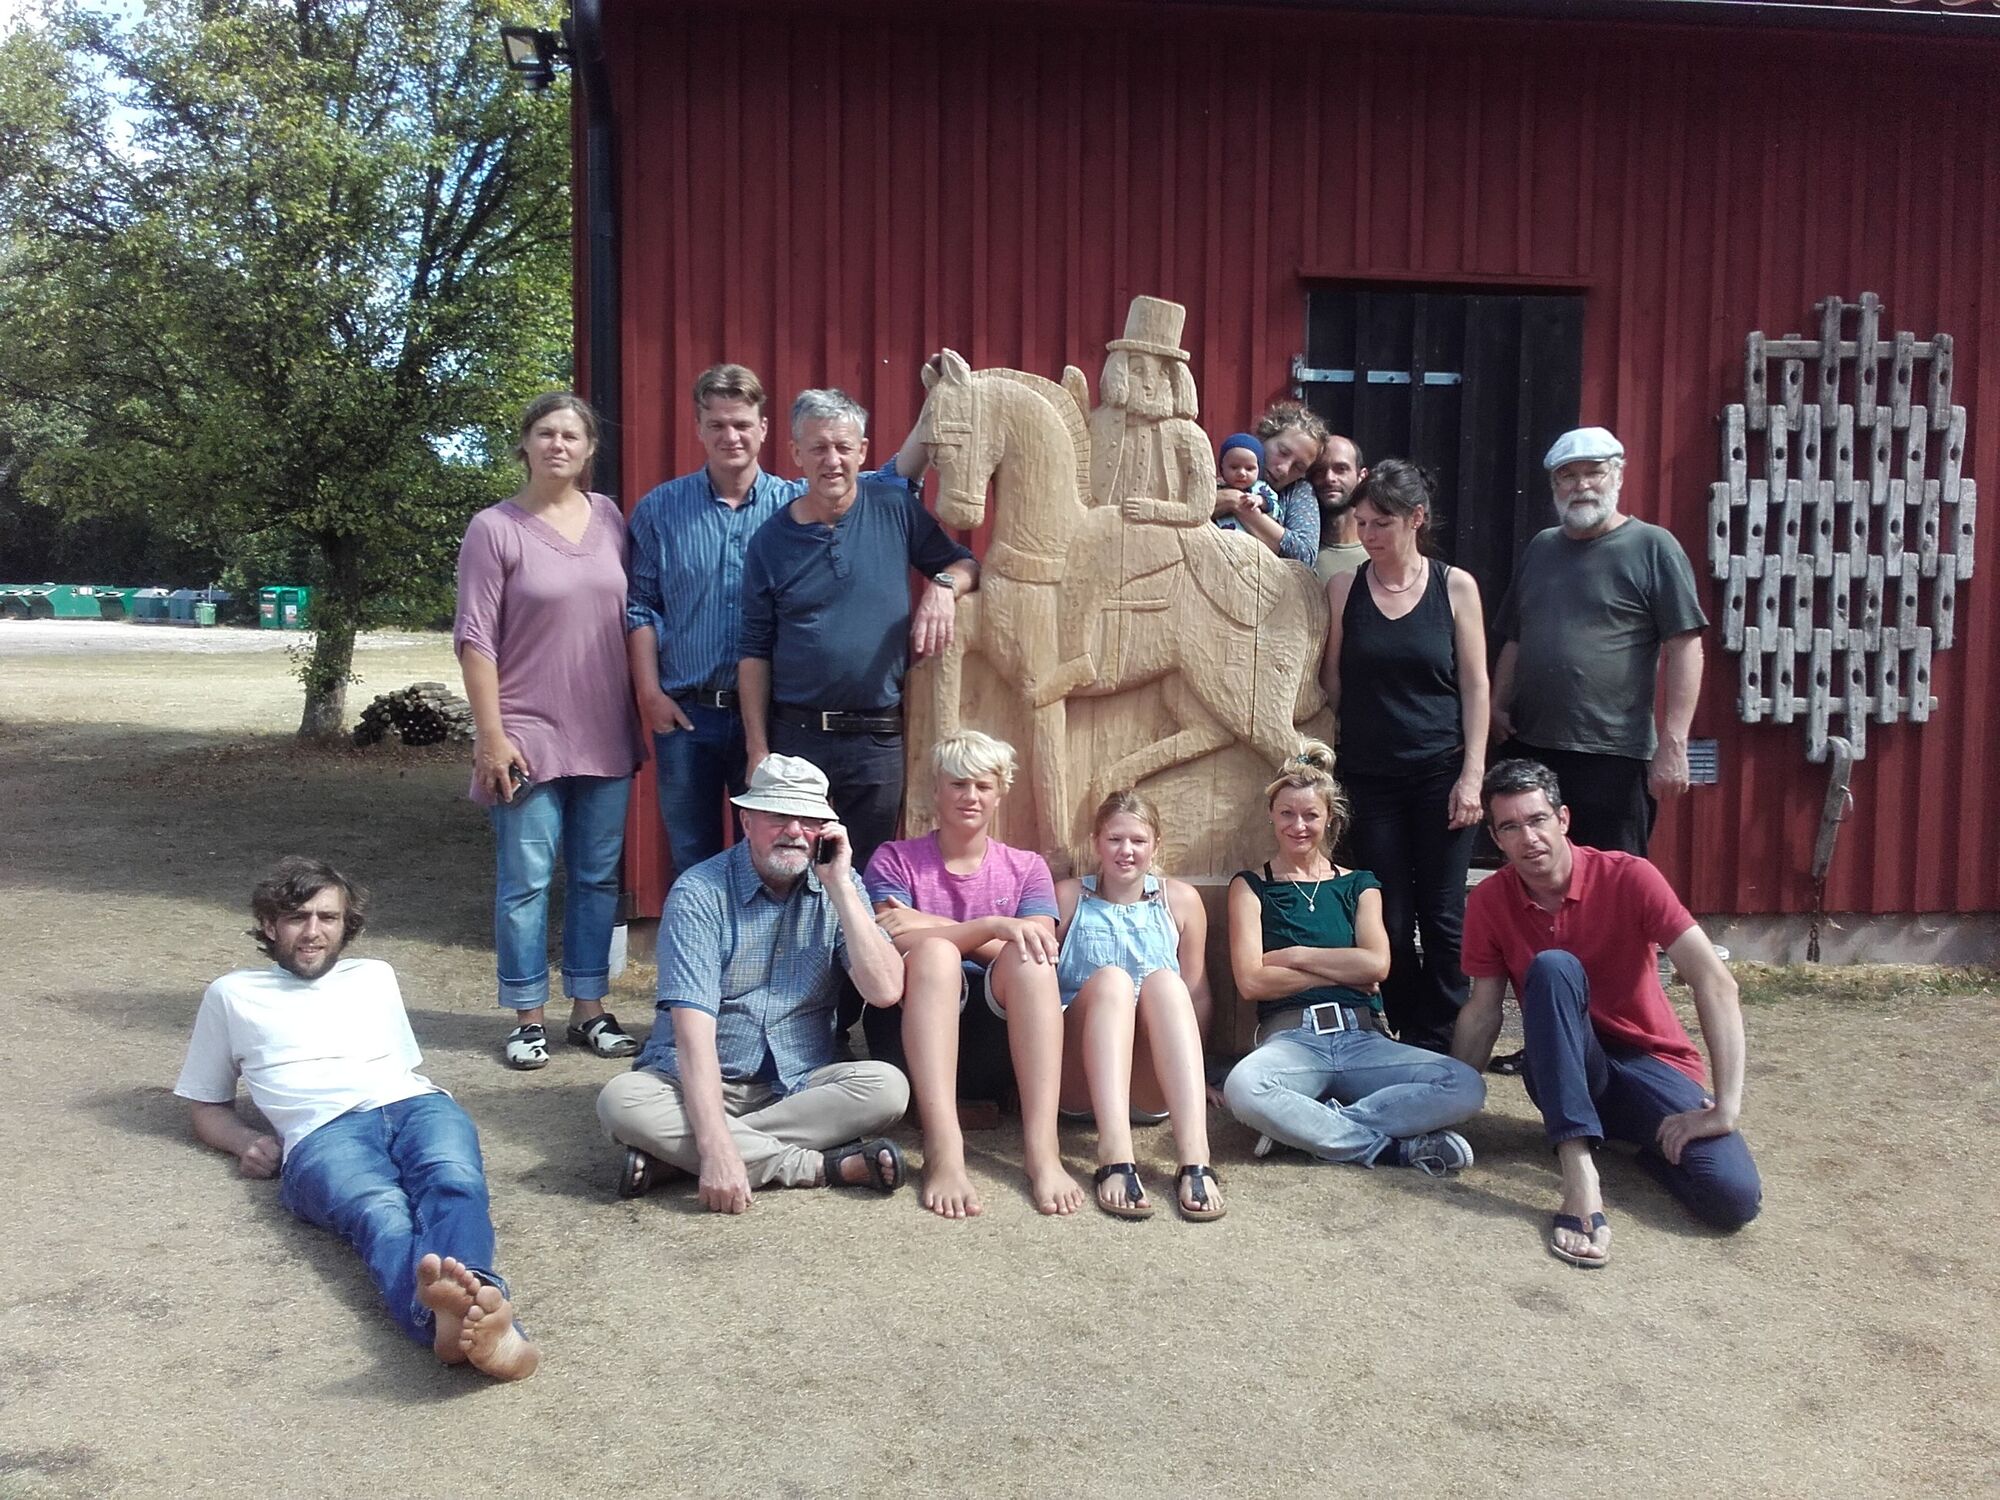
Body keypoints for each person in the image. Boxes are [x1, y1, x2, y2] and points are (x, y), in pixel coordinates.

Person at [174, 859, 538, 1380]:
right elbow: (206, 1106)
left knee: (453, 1182)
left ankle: (456, 1319)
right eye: (298, 917)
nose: (313, 932)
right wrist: (244, 1141)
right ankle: (488, 1330)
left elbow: (402, 1067)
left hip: (416, 1105)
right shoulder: (232, 995)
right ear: (270, 925)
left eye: (329, 917)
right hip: (323, 1133)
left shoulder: (375, 976)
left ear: (348, 925)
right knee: (380, 1210)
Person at [624, 364, 930, 880]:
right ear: (698, 428)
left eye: (742, 423)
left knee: (778, 859)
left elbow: (887, 478)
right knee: (694, 858)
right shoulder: (661, 509)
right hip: (689, 716)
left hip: (771, 717)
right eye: (717, 424)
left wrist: (936, 404)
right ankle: (703, 957)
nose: (730, 436)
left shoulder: (796, 500)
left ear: (765, 431)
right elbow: (641, 607)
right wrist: (650, 694)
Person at [1453, 759, 1761, 1268]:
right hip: (1562, 1065)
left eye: (1537, 820)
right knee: (1552, 969)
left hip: (1649, 1062)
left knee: (1732, 1199)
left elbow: (1714, 981)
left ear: (1564, 819)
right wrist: (1452, 1103)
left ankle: (1633, 1142)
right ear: (1496, 837)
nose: (1528, 838)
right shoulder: (1488, 901)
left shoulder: (1630, 877)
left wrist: (1725, 1108)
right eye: (1510, 827)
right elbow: (1483, 1013)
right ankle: (1579, 1172)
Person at [596, 754, 912, 1211]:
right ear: (747, 822)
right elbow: (692, 1033)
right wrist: (717, 1147)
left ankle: (677, 1159)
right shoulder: (699, 892)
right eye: (778, 816)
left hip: (798, 1083)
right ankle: (822, 1168)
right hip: (699, 1083)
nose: (793, 831)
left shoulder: (841, 885)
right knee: (621, 1100)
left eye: (808, 819)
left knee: (887, 1088)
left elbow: (884, 990)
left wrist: (841, 887)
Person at [456, 392, 646, 1071]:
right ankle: (527, 1017)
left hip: (604, 730)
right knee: (526, 880)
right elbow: (475, 640)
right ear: (525, 445)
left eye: (570, 435)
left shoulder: (611, 520)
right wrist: (490, 735)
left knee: (597, 879)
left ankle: (589, 1011)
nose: (557, 445)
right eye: (544, 433)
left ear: (589, 448)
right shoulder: (495, 529)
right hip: (526, 732)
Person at [737, 388, 978, 871]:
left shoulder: (894, 509)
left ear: (862, 452)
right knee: (793, 871)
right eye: (819, 448)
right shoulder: (770, 542)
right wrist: (758, 749)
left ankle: (851, 951)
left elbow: (963, 562)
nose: (832, 460)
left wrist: (942, 586)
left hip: (878, 740)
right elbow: (753, 651)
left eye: (844, 448)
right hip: (798, 736)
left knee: (863, 873)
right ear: (796, 454)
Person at [1221, 743, 1486, 1170]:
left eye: (1311, 815)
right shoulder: (1252, 886)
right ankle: (1390, 1149)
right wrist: (1342, 971)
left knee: (1465, 1084)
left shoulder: (1360, 884)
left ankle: (1313, 1127)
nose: (1299, 825)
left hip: (1362, 1037)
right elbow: (1252, 981)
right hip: (1293, 1039)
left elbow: (1377, 965)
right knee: (1244, 1087)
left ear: (1330, 818)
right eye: (1287, 813)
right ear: (1271, 815)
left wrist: (1292, 955)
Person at [862, 730, 1076, 1220]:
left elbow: (1035, 945)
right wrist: (992, 927)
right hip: (910, 1035)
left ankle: (1042, 1151)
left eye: (982, 785)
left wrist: (938, 926)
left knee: (1030, 963)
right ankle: (943, 1148)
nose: (970, 796)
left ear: (1000, 792)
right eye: (957, 784)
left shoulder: (1027, 868)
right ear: (935, 790)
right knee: (935, 958)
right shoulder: (894, 860)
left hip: (1000, 1041)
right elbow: (888, 942)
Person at [1321, 459, 1489, 1053]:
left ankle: (1442, 1032)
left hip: (1441, 771)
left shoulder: (1455, 586)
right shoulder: (1345, 588)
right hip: (1370, 778)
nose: (1368, 535)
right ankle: (1403, 1026)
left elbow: (1475, 686)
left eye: (1382, 523)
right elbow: (1333, 684)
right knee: (1388, 917)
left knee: (1444, 918)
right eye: (1362, 523)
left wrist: (1472, 777)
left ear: (1416, 519)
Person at [1491, 426, 1707, 856]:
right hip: (1532, 748)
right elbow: (1516, 637)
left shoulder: (1653, 547)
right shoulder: (1541, 548)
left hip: (1612, 755)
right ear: (1554, 485)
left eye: (1595, 473)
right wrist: (1497, 706)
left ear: (1619, 477)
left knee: (1610, 881)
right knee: (1535, 872)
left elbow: (1685, 646)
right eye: (1568, 476)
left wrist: (1673, 743)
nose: (1581, 486)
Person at [1053, 790, 1222, 1222]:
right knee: (1112, 980)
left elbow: (1197, 992)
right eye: (1114, 840)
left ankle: (1195, 1160)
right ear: (1095, 843)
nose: (1126, 852)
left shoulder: (1179, 901)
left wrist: (1194, 1075)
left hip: (1147, 1083)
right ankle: (1114, 1154)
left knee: (1166, 983)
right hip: (1078, 1080)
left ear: (1155, 845)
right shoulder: (1069, 898)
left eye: (1137, 841)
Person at [1210, 398, 1323, 565]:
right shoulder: (1219, 481)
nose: (1284, 469)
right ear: (1264, 437)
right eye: (1283, 452)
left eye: (1298, 467)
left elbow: (1305, 556)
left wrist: (1237, 503)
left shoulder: (1297, 492)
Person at [1310, 434, 1369, 583]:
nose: (1329, 478)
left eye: (1341, 469)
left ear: (1361, 476)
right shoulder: (1297, 552)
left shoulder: (1379, 552)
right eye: (1319, 471)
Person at [1211, 431, 1284, 543]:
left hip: (1253, 545)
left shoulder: (1261, 488)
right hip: (1221, 542)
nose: (1241, 473)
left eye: (1249, 468)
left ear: (1259, 469)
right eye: (1234, 467)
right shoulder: (1216, 488)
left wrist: (1261, 501)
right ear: (1222, 467)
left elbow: (1276, 510)